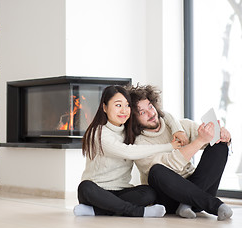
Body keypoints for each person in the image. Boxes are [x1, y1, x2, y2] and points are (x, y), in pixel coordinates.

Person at [74, 85, 182, 218]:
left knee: (149, 192)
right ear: (105, 107)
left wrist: (178, 130)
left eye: (127, 105)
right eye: (118, 105)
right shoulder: (98, 132)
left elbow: (163, 115)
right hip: (98, 191)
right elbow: (128, 152)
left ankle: (98, 211)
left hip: (122, 191)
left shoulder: (130, 130)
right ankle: (138, 212)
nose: (124, 110)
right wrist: (169, 146)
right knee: (85, 188)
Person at [129, 84, 233, 221]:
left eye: (150, 106)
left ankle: (187, 204)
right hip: (171, 199)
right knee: (156, 171)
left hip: (200, 187)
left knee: (220, 146)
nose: (150, 113)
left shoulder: (181, 126)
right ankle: (214, 205)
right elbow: (170, 165)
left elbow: (210, 139)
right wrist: (200, 141)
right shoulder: (138, 145)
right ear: (133, 119)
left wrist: (224, 136)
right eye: (142, 112)